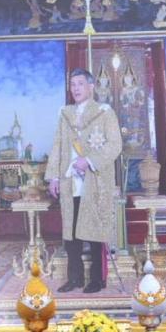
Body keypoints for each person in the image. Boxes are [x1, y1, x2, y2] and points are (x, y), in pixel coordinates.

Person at [45, 67, 123, 294]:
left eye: (80, 84)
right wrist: (53, 177)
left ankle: (97, 280)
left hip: (95, 182)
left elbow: (115, 145)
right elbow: (58, 146)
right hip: (70, 182)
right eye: (73, 85)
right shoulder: (65, 114)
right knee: (71, 234)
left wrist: (88, 160)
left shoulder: (104, 112)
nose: (76, 88)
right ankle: (75, 278)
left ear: (91, 87)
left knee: (96, 231)